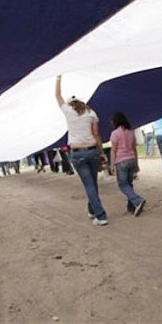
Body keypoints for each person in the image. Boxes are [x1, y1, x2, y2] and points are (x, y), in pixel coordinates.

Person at [56, 75, 108, 226]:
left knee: (89, 185)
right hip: (92, 151)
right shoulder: (91, 113)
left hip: (78, 153)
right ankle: (92, 210)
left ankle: (101, 215)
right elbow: (96, 134)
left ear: (70, 104)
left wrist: (58, 78)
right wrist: (102, 152)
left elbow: (57, 95)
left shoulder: (68, 111)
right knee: (93, 183)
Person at [109, 112, 146, 216]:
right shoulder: (131, 132)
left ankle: (138, 200)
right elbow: (134, 148)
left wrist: (111, 165)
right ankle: (132, 206)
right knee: (129, 184)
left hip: (121, 160)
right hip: (131, 159)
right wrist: (137, 164)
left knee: (122, 185)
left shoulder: (115, 133)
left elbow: (113, 150)